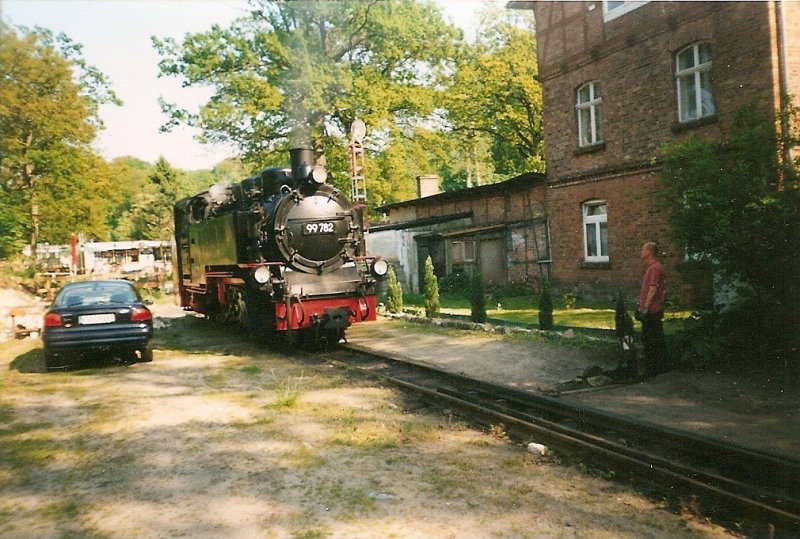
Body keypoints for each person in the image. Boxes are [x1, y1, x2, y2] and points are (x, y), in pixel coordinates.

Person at [636, 241, 667, 376]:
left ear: (648, 252)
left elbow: (653, 289)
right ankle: (657, 367)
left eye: (643, 249)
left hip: (652, 310)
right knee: (654, 339)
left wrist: (645, 308)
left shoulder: (654, 268)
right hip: (653, 309)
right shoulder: (654, 267)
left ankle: (653, 369)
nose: (641, 252)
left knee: (651, 340)